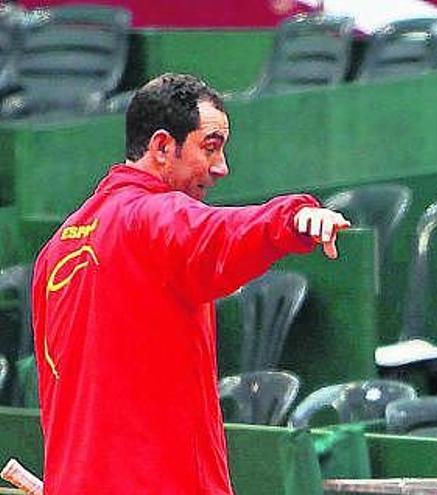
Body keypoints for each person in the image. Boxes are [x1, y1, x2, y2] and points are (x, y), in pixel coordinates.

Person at [31, 73, 350, 494]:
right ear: (163, 146)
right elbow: (216, 234)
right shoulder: (151, 218)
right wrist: (289, 220)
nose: (221, 168)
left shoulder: (53, 251)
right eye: (210, 147)